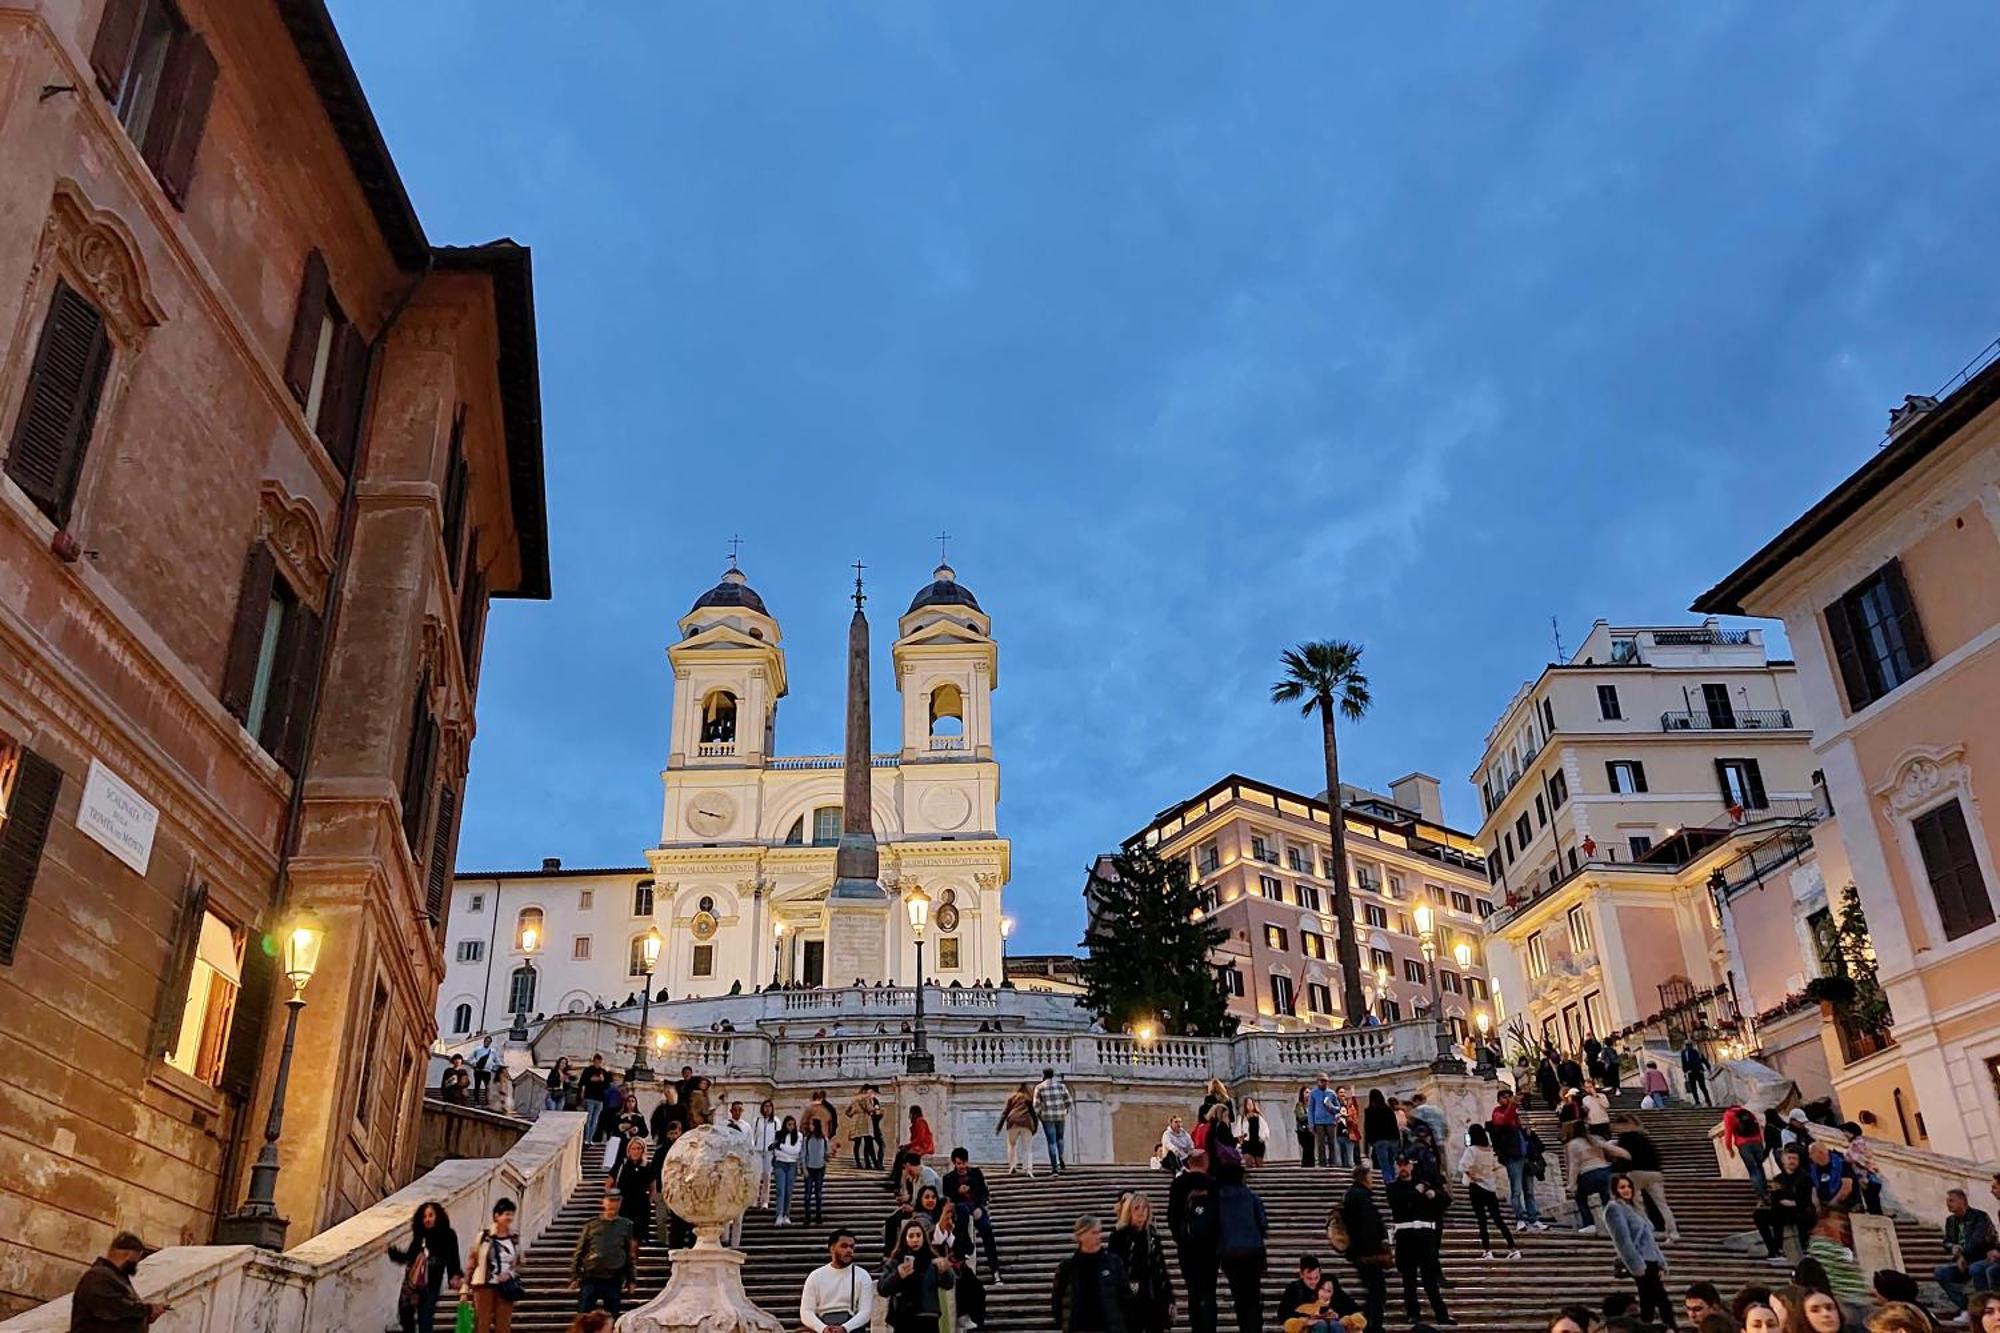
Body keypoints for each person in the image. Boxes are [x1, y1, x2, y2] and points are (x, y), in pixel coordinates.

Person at [1386, 1153, 1450, 1326]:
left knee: (1430, 1281)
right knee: (1409, 1281)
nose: (1403, 1168)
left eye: (1405, 1164)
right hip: (1406, 1240)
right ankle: (1413, 1314)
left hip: (1425, 1240)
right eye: (1399, 1165)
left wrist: (1433, 1194)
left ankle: (1441, 1315)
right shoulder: (1393, 1188)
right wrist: (1417, 1192)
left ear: (1411, 1166)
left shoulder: (1424, 1184)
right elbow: (1397, 1202)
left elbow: (1446, 1201)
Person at [1602, 1173, 1674, 1328]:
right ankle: (1668, 1328)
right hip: (1640, 1262)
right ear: (1615, 1190)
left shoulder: (1635, 1208)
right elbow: (1622, 1240)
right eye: (1622, 1187)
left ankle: (1653, 1328)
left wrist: (1661, 1263)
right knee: (1659, 1302)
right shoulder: (1614, 1208)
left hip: (1651, 1260)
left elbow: (1650, 1240)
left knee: (1653, 1301)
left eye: (1628, 1186)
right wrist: (1637, 1267)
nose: (1627, 1190)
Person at [388, 1200, 464, 1333]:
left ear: (437, 1216)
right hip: (413, 1283)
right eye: (424, 1217)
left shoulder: (448, 1235)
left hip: (432, 1282)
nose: (427, 1219)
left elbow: (453, 1258)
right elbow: (410, 1257)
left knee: (425, 1316)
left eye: (430, 1215)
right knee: (405, 1314)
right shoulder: (420, 1236)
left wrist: (454, 1275)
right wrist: (394, 1253)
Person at [70, 1231, 167, 1331]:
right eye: (137, 1257)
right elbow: (116, 1308)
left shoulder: (114, 1277)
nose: (136, 1262)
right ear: (129, 1254)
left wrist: (146, 1316)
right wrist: (148, 1310)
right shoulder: (98, 1276)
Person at [1214, 1161, 1269, 1333]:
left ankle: (1245, 1326)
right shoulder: (1251, 1197)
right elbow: (1263, 1224)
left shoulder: (1218, 1199)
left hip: (1230, 1253)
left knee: (1239, 1296)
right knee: (1253, 1295)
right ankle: (1255, 1327)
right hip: (1253, 1252)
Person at [1169, 1148, 1219, 1333]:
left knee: (1193, 1291)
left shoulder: (1179, 1184)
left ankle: (1197, 1328)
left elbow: (1172, 1217)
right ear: (1206, 1163)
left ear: (1189, 1164)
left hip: (1187, 1247)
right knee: (1209, 1291)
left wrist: (1180, 1239)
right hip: (1210, 1248)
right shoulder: (1213, 1184)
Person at [1109, 1191, 1175, 1332]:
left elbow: (1161, 1266)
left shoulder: (1152, 1236)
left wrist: (1170, 1298)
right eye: (1137, 1209)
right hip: (1130, 1297)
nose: (1141, 1213)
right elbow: (1115, 1268)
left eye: (1144, 1209)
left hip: (1153, 1294)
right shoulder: (1118, 1237)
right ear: (1129, 1211)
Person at [1051, 1215, 1126, 1332]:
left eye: (1099, 1232)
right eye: (1093, 1233)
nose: (1098, 1236)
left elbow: (1125, 1297)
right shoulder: (1067, 1268)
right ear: (1080, 1235)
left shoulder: (1113, 1263)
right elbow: (1057, 1300)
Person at [569, 1189, 637, 1317]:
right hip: (591, 1276)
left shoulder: (626, 1225)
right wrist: (575, 1275)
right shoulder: (592, 1224)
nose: (613, 1204)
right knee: (584, 1315)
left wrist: (631, 1279)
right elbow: (580, 1251)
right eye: (610, 1200)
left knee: (612, 1317)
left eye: (616, 1201)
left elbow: (629, 1254)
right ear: (604, 1202)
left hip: (613, 1277)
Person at [1341, 1163, 1393, 1333]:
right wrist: (1379, 1247)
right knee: (1377, 1290)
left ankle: (1368, 1323)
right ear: (1364, 1178)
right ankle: (1371, 1325)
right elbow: (1367, 1227)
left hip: (1361, 1250)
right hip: (1367, 1252)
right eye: (1370, 1177)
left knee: (1375, 1289)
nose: (1373, 1180)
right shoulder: (1360, 1197)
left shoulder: (1354, 1195)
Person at [879, 1219, 955, 1333]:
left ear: (923, 1238)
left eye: (918, 1235)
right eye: (911, 1236)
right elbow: (882, 1289)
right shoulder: (895, 1262)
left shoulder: (932, 1260)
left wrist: (945, 1270)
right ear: (905, 1238)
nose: (915, 1239)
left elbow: (949, 1284)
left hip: (928, 1316)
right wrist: (898, 1275)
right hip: (903, 1317)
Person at [1613, 1116, 1681, 1243]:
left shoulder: (1624, 1139)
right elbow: (1656, 1156)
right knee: (1662, 1204)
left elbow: (1624, 1157)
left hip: (1635, 1172)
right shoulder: (1645, 1138)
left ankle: (1646, 1231)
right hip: (1654, 1172)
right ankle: (1673, 1232)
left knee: (1637, 1204)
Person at [941, 1147, 1005, 1282]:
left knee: (986, 1230)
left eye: (963, 1163)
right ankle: (965, 1245)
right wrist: (958, 1192)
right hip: (960, 1213)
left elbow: (984, 1193)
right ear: (954, 1163)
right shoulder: (948, 1179)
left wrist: (980, 1207)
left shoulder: (976, 1173)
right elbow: (947, 1198)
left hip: (976, 1208)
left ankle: (995, 1270)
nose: (962, 1166)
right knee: (963, 1209)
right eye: (958, 1163)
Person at [1459, 1124, 1521, 1259]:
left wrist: (1472, 1175)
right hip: (1490, 1187)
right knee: (1498, 1219)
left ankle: (1487, 1250)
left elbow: (1463, 1166)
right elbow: (1495, 1166)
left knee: (1482, 1219)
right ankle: (1513, 1248)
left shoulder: (1471, 1150)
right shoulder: (1489, 1150)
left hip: (1476, 1187)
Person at [1490, 1088, 1546, 1231]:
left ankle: (1533, 1218)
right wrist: (1512, 1106)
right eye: (1504, 1097)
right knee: (1516, 1191)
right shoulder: (1497, 1112)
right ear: (1499, 1100)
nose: (1508, 1099)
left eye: (1510, 1096)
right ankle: (1519, 1219)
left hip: (1525, 1156)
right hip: (1513, 1157)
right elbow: (1502, 1122)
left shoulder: (1515, 1117)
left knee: (1529, 1191)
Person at [801, 1228, 875, 1333]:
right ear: (832, 1248)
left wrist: (845, 1328)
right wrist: (823, 1329)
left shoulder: (862, 1275)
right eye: (844, 1246)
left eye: (852, 1247)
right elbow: (806, 1311)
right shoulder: (815, 1276)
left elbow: (866, 1311)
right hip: (823, 1324)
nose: (849, 1250)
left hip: (851, 1327)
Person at [1937, 1187, 1997, 1316]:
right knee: (1941, 1272)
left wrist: (1962, 1255)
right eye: (1947, 1201)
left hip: (1981, 1258)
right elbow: (1946, 1241)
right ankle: (1966, 1307)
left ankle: (1985, 1308)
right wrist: (1952, 1247)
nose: (1948, 1204)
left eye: (1951, 1200)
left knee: (1976, 1269)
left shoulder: (1979, 1216)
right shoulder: (1951, 1221)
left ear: (1962, 1201)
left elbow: (1978, 1240)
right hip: (1961, 1262)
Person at [466, 1198, 523, 1333]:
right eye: (506, 1214)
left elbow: (519, 1263)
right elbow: (473, 1259)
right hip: (483, 1284)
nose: (509, 1218)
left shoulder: (514, 1238)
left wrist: (509, 1274)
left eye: (511, 1214)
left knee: (503, 1324)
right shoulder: (484, 1236)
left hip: (506, 1287)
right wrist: (465, 1284)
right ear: (497, 1216)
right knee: (482, 1323)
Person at [1563, 1120, 1628, 1233]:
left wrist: (1571, 1184)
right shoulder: (1595, 1139)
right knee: (1606, 1199)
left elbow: (1574, 1164)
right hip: (1606, 1170)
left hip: (1589, 1173)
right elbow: (1611, 1149)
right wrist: (1624, 1153)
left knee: (1581, 1198)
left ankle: (1589, 1223)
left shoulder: (1573, 1144)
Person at [1756, 1147, 1817, 1263]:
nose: (1792, 1161)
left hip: (1800, 1212)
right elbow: (1775, 1198)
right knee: (1760, 1215)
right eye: (1789, 1158)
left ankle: (1804, 1247)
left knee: (1787, 1213)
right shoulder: (1778, 1178)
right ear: (1784, 1160)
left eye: (1794, 1158)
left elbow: (1807, 1200)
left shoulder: (1805, 1178)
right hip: (1781, 1211)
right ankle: (1774, 1250)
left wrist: (1793, 1202)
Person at [1277, 1254, 1357, 1333]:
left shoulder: (1328, 1284)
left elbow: (1353, 1308)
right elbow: (1283, 1314)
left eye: (1316, 1277)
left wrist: (1337, 1315)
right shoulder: (1294, 1288)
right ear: (1301, 1275)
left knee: (1335, 1325)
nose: (1313, 1282)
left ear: (1320, 1273)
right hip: (1307, 1327)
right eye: (1309, 1278)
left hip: (1331, 1325)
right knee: (1321, 1326)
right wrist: (1306, 1320)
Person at [607, 1135, 660, 1245]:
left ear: (643, 1150)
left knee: (638, 1236)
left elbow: (653, 1188)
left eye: (638, 1148)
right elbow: (609, 1184)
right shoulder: (621, 1164)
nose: (636, 1151)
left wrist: (649, 1202)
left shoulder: (648, 1166)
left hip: (641, 1205)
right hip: (624, 1203)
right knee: (623, 1234)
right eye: (633, 1148)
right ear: (629, 1150)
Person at [1724, 1104, 1771, 1200]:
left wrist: (1729, 1148)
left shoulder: (1729, 1114)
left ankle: (1761, 1195)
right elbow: (1757, 1126)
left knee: (1753, 1171)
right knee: (1760, 1167)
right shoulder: (1748, 1111)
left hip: (1743, 1145)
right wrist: (1761, 1141)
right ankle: (1766, 1192)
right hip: (1757, 1143)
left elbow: (1728, 1131)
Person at [1840, 1124, 1885, 1216]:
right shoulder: (1857, 1142)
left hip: (1867, 1177)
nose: (1844, 1134)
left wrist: (1845, 1157)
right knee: (1873, 1202)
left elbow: (1857, 1158)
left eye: (1846, 1131)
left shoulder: (1857, 1143)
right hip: (1869, 1176)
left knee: (1872, 1202)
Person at [998, 1082, 1039, 1176]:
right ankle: (1028, 1169)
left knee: (1012, 1145)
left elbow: (1005, 1112)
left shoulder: (1012, 1098)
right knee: (1027, 1148)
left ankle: (1012, 1166)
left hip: (1012, 1123)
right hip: (1026, 1123)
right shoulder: (1029, 1098)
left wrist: (999, 1126)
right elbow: (1033, 1114)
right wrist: (1035, 1126)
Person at [772, 1114, 803, 1226]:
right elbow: (776, 1152)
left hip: (792, 1164)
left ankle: (786, 1214)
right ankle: (779, 1214)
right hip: (780, 1163)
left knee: (789, 1191)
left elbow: (796, 1151)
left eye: (793, 1125)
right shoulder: (779, 1135)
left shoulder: (799, 1136)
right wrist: (782, 1149)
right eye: (789, 1124)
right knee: (780, 1190)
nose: (791, 1127)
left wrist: (782, 1147)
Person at [801, 1115, 831, 1228]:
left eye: (811, 1124)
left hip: (820, 1168)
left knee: (818, 1193)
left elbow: (826, 1153)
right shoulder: (807, 1138)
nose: (810, 1126)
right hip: (809, 1168)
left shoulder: (823, 1138)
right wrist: (804, 1168)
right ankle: (807, 1216)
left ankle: (819, 1215)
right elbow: (803, 1154)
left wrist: (827, 1157)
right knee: (807, 1194)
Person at [1363, 1089, 1400, 1180]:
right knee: (1391, 1163)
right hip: (1393, 1140)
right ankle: (1393, 1181)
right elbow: (1395, 1125)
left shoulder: (1370, 1111)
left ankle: (1389, 1184)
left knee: (1384, 1166)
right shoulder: (1388, 1109)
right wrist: (1398, 1140)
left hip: (1379, 1141)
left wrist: (1369, 1143)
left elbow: (1368, 1127)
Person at [1309, 1076, 1342, 1169]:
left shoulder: (1331, 1093)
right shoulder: (1314, 1093)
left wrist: (1331, 1107)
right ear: (1318, 1082)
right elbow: (1311, 1109)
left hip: (1330, 1121)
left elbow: (1338, 1108)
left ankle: (1333, 1162)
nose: (1324, 1083)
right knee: (1320, 1144)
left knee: (1332, 1142)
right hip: (1318, 1121)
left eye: (1326, 1081)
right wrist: (1311, 1123)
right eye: (1322, 1081)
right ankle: (1322, 1163)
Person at [845, 1086, 878, 1169]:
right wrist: (875, 1109)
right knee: (868, 1142)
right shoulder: (866, 1097)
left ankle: (858, 1163)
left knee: (857, 1143)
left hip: (855, 1121)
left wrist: (852, 1115)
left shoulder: (854, 1098)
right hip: (865, 1120)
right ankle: (871, 1163)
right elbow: (869, 1108)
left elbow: (847, 1111)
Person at [580, 1054, 611, 1142]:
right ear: (593, 1061)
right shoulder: (588, 1070)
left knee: (595, 1120)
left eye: (599, 1062)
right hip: (590, 1097)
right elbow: (582, 1082)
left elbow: (607, 1085)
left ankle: (590, 1139)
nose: (598, 1063)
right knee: (588, 1119)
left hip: (600, 1099)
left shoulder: (603, 1072)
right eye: (596, 1062)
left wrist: (602, 1080)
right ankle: (586, 1138)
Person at [1238, 1097, 1270, 1167]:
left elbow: (1265, 1129)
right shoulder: (1242, 1118)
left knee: (1259, 1164)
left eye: (1250, 1104)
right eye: (1247, 1104)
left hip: (1258, 1143)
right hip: (1247, 1143)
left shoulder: (1259, 1117)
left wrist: (1263, 1137)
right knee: (1249, 1163)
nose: (1249, 1106)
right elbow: (1239, 1130)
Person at [1681, 1039, 1712, 1107]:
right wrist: (1708, 1068)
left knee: (1695, 1087)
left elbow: (1684, 1063)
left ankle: (1699, 1101)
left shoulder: (1685, 1052)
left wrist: (1685, 1071)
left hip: (1692, 1071)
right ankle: (1707, 1100)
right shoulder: (1696, 1051)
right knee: (1701, 1086)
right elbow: (1704, 1060)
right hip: (1698, 1071)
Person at [1295, 1088, 1317, 1167]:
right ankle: (1305, 1166)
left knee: (1311, 1150)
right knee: (1307, 1149)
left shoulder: (1312, 1106)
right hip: (1303, 1131)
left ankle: (1311, 1166)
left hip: (1311, 1131)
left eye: (1310, 1093)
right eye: (1307, 1092)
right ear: (1302, 1094)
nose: (1309, 1094)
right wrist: (1311, 1115)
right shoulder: (1299, 1105)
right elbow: (1301, 1117)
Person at [470, 1035, 496, 1103]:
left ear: (490, 1043)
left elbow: (496, 1060)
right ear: (484, 1041)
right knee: (477, 1085)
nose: (487, 1042)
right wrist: (474, 1064)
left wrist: (493, 1067)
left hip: (487, 1071)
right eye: (486, 1041)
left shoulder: (492, 1051)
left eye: (489, 1042)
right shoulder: (478, 1049)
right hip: (478, 1070)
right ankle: (476, 1100)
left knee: (488, 1087)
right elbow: (470, 1058)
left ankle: (487, 1100)